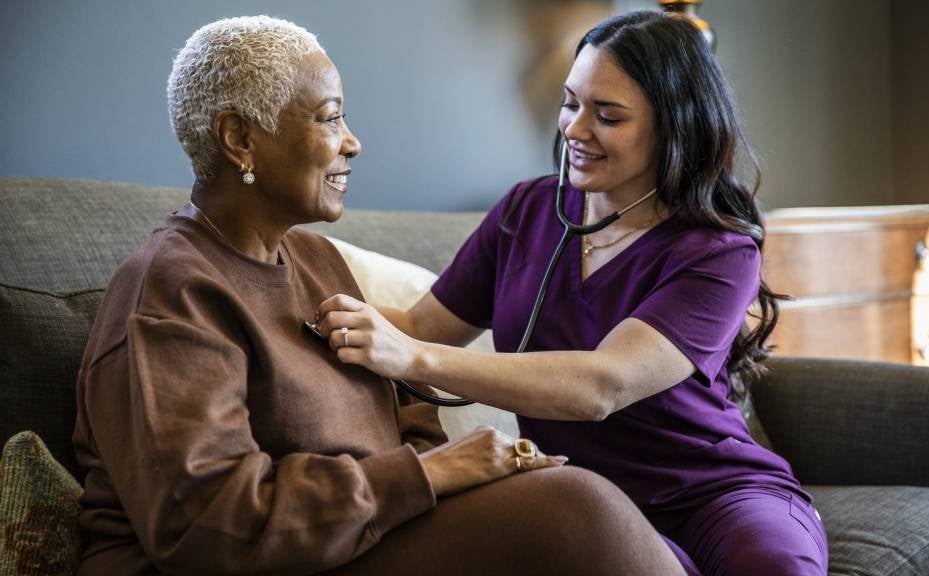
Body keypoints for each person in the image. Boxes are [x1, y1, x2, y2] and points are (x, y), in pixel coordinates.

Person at [71, 15, 687, 576]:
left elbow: (407, 419)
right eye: (329, 117)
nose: (352, 142)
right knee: (577, 512)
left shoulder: (315, 260)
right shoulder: (171, 289)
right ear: (238, 139)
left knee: (577, 507)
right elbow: (212, 525)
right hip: (262, 560)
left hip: (365, 535)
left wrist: (462, 474)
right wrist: (432, 473)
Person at [316, 10, 829, 576]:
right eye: (570, 103)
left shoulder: (717, 251)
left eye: (607, 115)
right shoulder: (526, 211)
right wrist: (302, 310)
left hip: (716, 494)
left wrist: (413, 357)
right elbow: (420, 327)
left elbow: (601, 385)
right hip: (583, 500)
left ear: (674, 125)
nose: (575, 129)